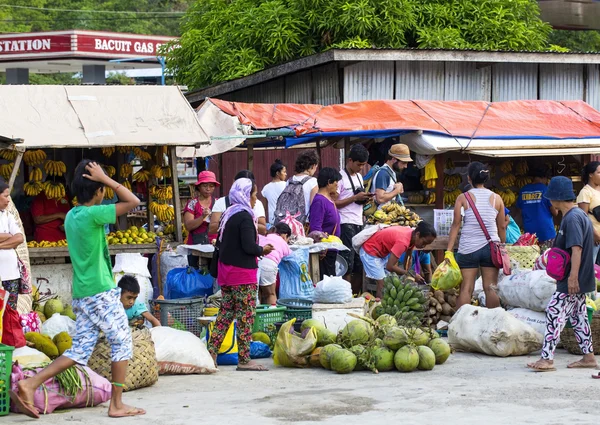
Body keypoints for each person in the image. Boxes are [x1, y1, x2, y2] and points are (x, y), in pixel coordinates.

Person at [12, 160, 144, 419]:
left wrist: (100, 181)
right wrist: (106, 178)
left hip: (83, 293)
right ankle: (116, 404)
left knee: (80, 350)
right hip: (100, 292)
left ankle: (29, 384)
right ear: (99, 192)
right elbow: (133, 202)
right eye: (101, 188)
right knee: (122, 341)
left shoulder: (72, 215)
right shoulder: (92, 214)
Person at [527, 176, 597, 373]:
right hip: (579, 277)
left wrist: (572, 277)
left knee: (553, 313)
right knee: (579, 317)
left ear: (557, 198)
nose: (549, 201)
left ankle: (546, 359)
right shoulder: (577, 215)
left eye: (551, 197)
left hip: (571, 278)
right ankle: (589, 357)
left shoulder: (573, 218)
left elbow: (577, 249)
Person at [208, 178, 274, 372]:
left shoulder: (229, 213)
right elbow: (248, 246)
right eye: (253, 194)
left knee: (226, 314)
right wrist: (263, 249)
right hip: (242, 275)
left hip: (227, 273)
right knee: (245, 317)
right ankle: (244, 359)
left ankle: (211, 353)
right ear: (245, 194)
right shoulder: (245, 216)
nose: (255, 199)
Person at [447, 162, 506, 310]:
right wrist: (502, 246)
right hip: (491, 247)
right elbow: (502, 226)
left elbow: (455, 224)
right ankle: (494, 325)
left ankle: (462, 326)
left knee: (466, 288)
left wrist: (449, 250)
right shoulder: (497, 198)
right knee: (490, 287)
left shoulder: (463, 197)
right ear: (486, 178)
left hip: (468, 248)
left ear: (469, 178)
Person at [359, 222, 437, 297]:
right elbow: (390, 266)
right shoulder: (402, 242)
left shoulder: (412, 234)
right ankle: (380, 306)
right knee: (382, 283)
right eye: (424, 242)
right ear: (418, 234)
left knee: (389, 281)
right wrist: (409, 274)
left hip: (380, 253)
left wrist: (411, 273)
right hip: (370, 251)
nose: (424, 246)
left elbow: (409, 255)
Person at [335, 144, 373, 294]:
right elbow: (334, 203)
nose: (361, 168)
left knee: (359, 263)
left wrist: (364, 199)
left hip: (359, 222)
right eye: (359, 164)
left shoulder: (358, 176)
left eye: (363, 165)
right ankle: (346, 295)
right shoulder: (339, 178)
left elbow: (356, 198)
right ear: (350, 160)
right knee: (347, 264)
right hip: (345, 223)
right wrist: (355, 198)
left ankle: (355, 295)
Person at [0, 180, 26, 344]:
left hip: (10, 273)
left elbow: (19, 238)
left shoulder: (8, 216)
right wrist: (7, 236)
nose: (8, 200)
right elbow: (12, 237)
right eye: (5, 196)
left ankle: (10, 343)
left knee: (10, 311)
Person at [209, 170, 267, 236]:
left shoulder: (257, 203)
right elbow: (212, 229)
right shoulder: (221, 202)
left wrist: (245, 223)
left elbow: (263, 229)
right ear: (234, 183)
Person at [309, 167, 342, 279]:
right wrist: (321, 247)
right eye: (336, 182)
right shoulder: (319, 201)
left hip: (331, 250)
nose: (337, 184)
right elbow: (315, 227)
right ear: (329, 182)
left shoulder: (329, 199)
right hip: (324, 252)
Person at [183, 171, 219, 267]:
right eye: (205, 186)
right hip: (195, 246)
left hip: (214, 245)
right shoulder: (192, 204)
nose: (208, 189)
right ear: (199, 186)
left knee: (212, 275)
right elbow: (188, 226)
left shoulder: (218, 203)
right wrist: (202, 217)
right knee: (195, 274)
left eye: (211, 186)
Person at [516, 165, 557, 245]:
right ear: (544, 177)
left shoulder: (523, 190)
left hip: (529, 233)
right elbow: (555, 212)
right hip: (546, 232)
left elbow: (520, 210)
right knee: (546, 256)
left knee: (531, 256)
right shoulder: (546, 190)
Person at [258, 222, 292, 305]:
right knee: (271, 294)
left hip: (256, 263)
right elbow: (290, 255)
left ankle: (255, 316)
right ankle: (273, 316)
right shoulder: (283, 242)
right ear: (285, 235)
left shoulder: (265, 236)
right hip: (269, 265)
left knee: (257, 292)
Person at [372, 143, 411, 209]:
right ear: (393, 159)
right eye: (404, 163)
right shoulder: (383, 173)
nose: (406, 166)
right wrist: (396, 191)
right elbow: (380, 199)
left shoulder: (391, 172)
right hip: (380, 216)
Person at [31, 177, 70, 242]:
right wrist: (59, 215)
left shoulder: (64, 196)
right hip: (45, 239)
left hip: (63, 238)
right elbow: (37, 219)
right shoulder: (40, 197)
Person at [577, 161, 600, 263]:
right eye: (599, 172)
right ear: (591, 175)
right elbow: (583, 217)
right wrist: (594, 234)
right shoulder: (585, 192)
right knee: (592, 264)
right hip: (594, 237)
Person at [261, 159, 287, 225]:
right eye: (284, 172)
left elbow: (264, 208)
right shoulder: (286, 185)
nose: (286, 174)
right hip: (285, 220)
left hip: (272, 221)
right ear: (278, 173)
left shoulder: (266, 188)